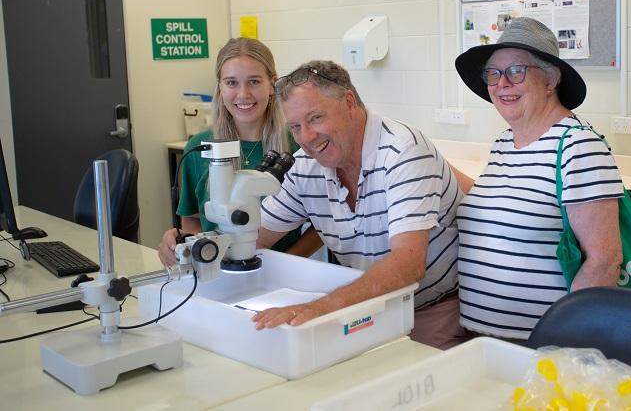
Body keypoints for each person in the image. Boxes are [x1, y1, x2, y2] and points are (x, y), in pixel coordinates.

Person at [250, 60, 468, 350]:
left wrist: (322, 307)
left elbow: (408, 263)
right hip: (367, 305)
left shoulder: (403, 151)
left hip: (430, 305)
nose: (307, 138)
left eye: (315, 118)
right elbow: (255, 238)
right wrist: (198, 249)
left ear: (349, 102)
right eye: (296, 127)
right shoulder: (305, 165)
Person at [454, 17, 624, 342]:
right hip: (482, 337)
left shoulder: (578, 145)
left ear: (551, 78)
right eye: (493, 73)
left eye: (516, 71)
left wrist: (564, 342)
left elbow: (604, 261)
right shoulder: (505, 142)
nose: (502, 83)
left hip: (540, 343)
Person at [164, 37, 302, 252]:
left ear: (272, 84)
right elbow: (192, 219)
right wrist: (185, 245)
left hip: (282, 274)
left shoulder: (297, 144)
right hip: (220, 269)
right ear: (219, 87)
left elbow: (320, 226)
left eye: (254, 81)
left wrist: (289, 261)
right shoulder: (199, 147)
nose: (243, 94)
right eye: (231, 82)